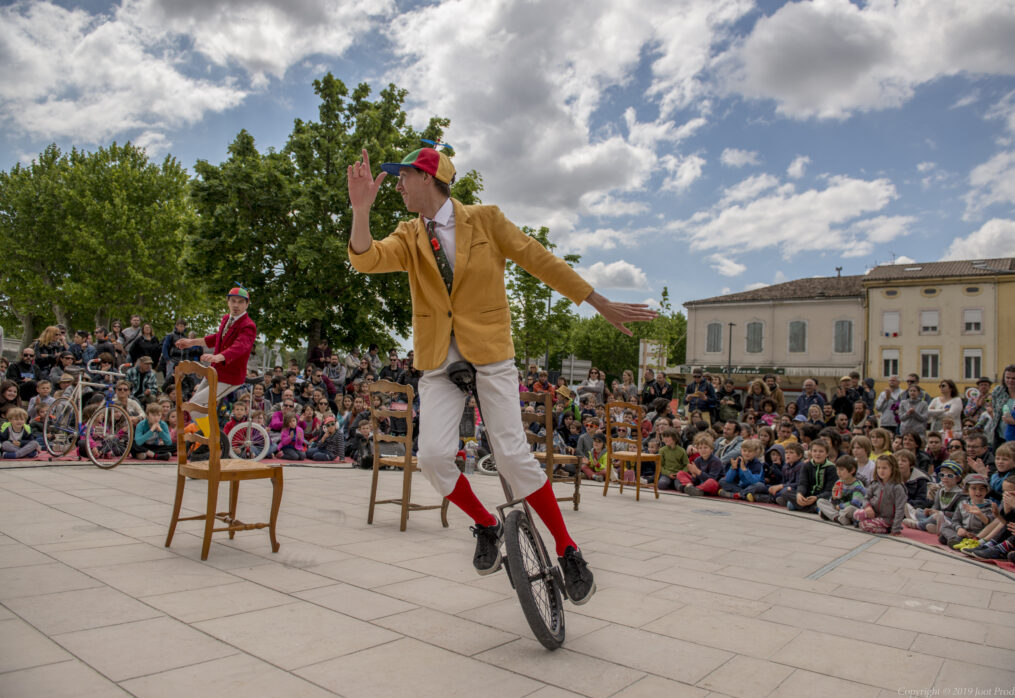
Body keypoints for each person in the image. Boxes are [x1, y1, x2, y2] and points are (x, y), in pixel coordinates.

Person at [347, 145, 657, 604]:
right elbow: (366, 258)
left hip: (490, 353)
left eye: (402, 177)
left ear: (427, 178)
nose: (395, 185)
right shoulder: (409, 234)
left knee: (512, 456)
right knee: (432, 457)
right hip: (438, 359)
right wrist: (360, 211)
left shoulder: (486, 220)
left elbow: (540, 260)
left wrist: (599, 302)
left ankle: (568, 549)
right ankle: (487, 525)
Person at [175, 287, 256, 408]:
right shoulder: (227, 319)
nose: (236, 305)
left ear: (247, 304)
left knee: (196, 404)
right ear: (228, 302)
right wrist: (192, 342)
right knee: (193, 405)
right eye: (233, 301)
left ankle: (210, 428)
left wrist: (219, 357)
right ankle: (206, 427)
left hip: (230, 377)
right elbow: (217, 338)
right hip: (215, 371)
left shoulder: (248, 325)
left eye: (240, 302)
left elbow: (240, 346)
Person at [853, 454, 908, 534]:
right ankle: (873, 523)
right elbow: (866, 498)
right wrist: (868, 507)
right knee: (857, 514)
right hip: (874, 514)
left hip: (888, 519)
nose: (881, 471)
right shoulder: (874, 484)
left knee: (863, 525)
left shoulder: (897, 487)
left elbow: (900, 509)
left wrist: (896, 529)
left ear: (892, 469)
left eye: (884, 468)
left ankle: (887, 529)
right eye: (879, 468)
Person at [789, 438, 835, 513]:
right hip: (808, 496)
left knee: (791, 505)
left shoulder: (831, 468)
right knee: (787, 494)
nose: (817, 454)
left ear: (827, 454)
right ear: (811, 452)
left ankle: (812, 507)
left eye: (821, 451)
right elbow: (803, 483)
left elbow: (829, 491)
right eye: (814, 451)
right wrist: (799, 494)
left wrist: (816, 497)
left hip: (821, 498)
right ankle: (814, 508)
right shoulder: (806, 465)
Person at [816, 455, 867, 524]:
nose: (838, 472)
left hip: (851, 509)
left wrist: (840, 506)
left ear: (852, 470)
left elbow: (856, 503)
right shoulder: (839, 482)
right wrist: (834, 497)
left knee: (850, 509)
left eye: (841, 469)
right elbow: (834, 502)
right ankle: (838, 518)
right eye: (837, 469)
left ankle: (832, 516)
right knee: (820, 501)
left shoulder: (858, 486)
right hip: (840, 510)